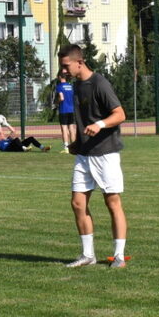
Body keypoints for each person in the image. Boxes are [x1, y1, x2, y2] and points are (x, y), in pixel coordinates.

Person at [58, 44, 128, 269]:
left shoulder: (100, 83)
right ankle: (88, 255)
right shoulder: (76, 86)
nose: (64, 71)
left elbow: (120, 114)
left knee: (112, 202)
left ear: (79, 62)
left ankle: (118, 256)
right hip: (85, 154)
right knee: (78, 203)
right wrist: (77, 144)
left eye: (66, 66)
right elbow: (81, 120)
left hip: (105, 153)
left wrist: (99, 124)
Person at [53, 73, 76, 153]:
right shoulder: (70, 86)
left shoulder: (59, 86)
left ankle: (66, 148)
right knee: (71, 128)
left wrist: (56, 102)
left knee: (64, 128)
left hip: (63, 109)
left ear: (59, 77)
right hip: (71, 109)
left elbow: (61, 98)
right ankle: (73, 147)